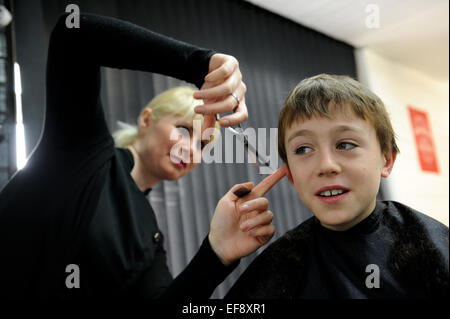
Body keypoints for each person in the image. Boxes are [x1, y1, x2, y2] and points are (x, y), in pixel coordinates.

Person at [0, 13, 286, 298]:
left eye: (202, 145)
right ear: (147, 120)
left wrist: (217, 253)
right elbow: (73, 33)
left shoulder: (149, 235)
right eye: (184, 130)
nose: (190, 149)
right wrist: (202, 64)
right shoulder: (83, 149)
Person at [226, 74, 449, 298]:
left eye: (345, 144)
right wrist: (216, 253)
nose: (325, 166)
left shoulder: (429, 247)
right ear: (290, 174)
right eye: (303, 149)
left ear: (386, 160)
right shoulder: (282, 264)